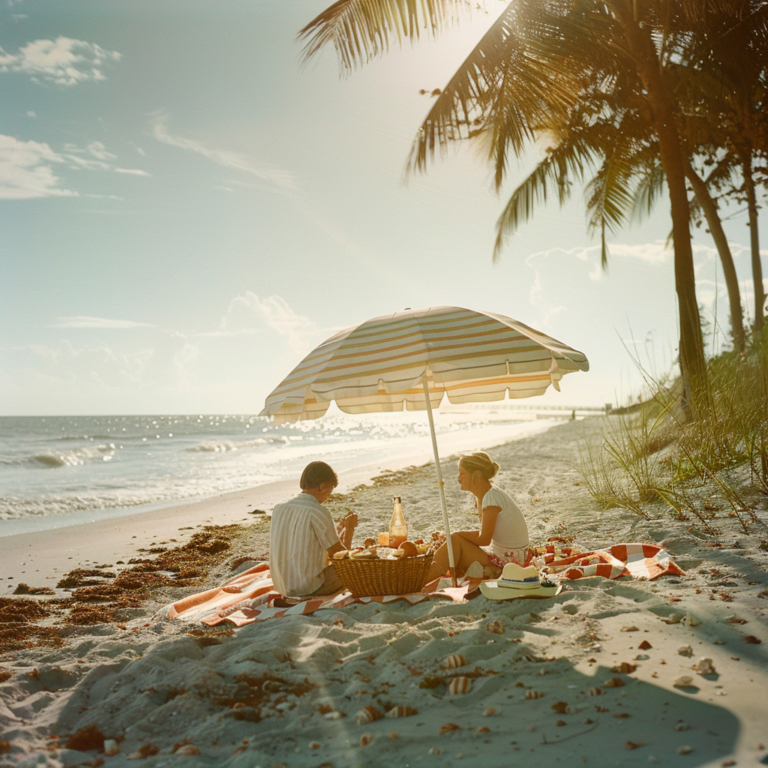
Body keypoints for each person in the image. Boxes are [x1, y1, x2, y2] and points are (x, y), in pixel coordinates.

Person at [426, 451, 531, 582]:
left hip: (510, 562)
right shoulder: (488, 494)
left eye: (462, 473)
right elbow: (487, 534)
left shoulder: (491, 498)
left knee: (454, 541)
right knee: (454, 541)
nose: (459, 478)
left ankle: (424, 580)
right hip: (509, 555)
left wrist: (456, 534)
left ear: (476, 475)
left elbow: (484, 539)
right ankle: (431, 574)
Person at [269, 461, 358, 597]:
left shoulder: (279, 508)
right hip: (309, 588)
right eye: (330, 490)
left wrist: (340, 531)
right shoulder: (317, 511)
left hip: (282, 586)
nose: (330, 496)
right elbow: (341, 558)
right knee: (357, 567)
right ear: (322, 487)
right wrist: (349, 530)